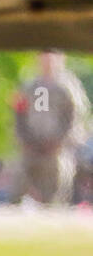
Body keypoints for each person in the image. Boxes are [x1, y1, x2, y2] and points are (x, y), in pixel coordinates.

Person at [13, 50, 90, 205]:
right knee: (19, 185)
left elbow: (75, 116)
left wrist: (61, 140)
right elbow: (19, 113)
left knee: (55, 193)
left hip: (57, 149)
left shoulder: (68, 86)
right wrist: (24, 138)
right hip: (30, 146)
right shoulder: (29, 86)